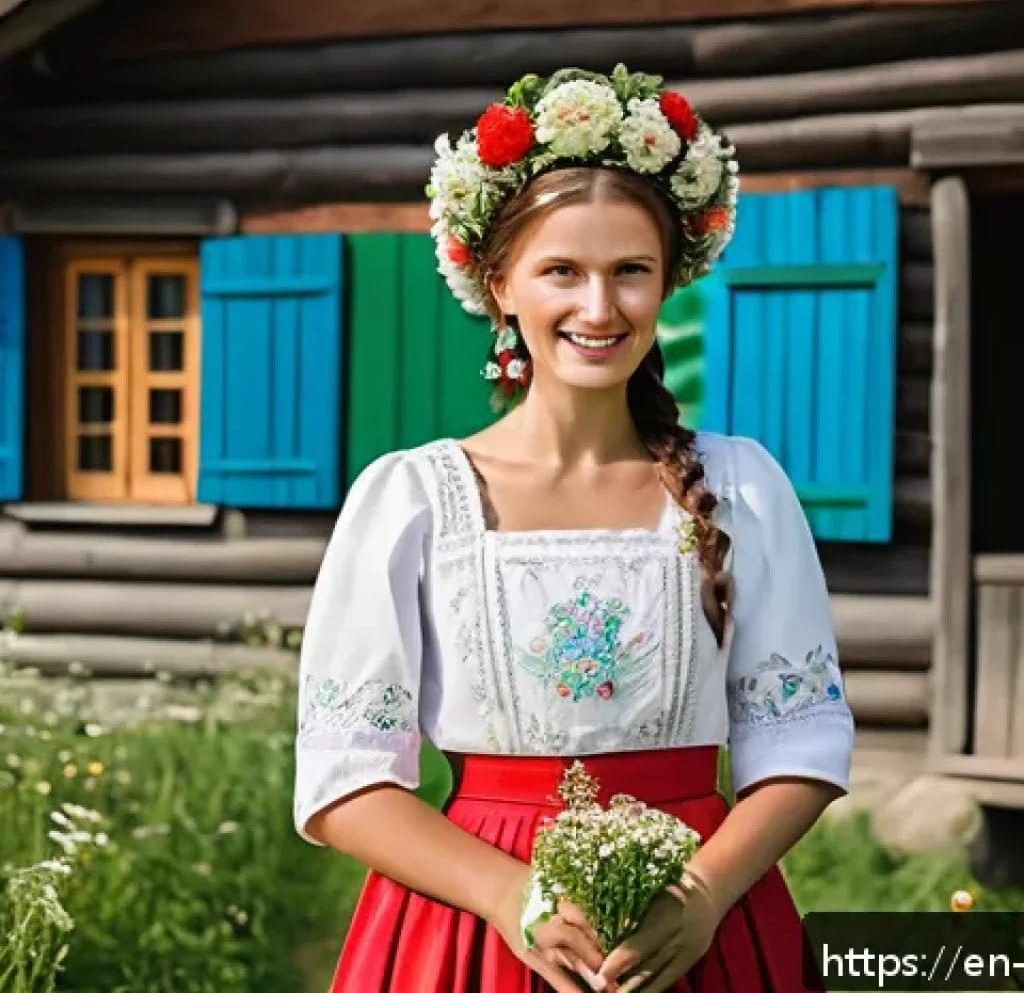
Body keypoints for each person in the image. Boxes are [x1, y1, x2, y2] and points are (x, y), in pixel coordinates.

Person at [293, 64, 854, 993]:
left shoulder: (743, 488)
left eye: (630, 271)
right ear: (500, 285)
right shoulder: (413, 501)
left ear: (668, 283)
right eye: (563, 271)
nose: (600, 309)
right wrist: (512, 894)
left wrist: (707, 892)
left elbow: (800, 741)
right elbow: (346, 778)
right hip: (478, 928)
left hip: (699, 921)